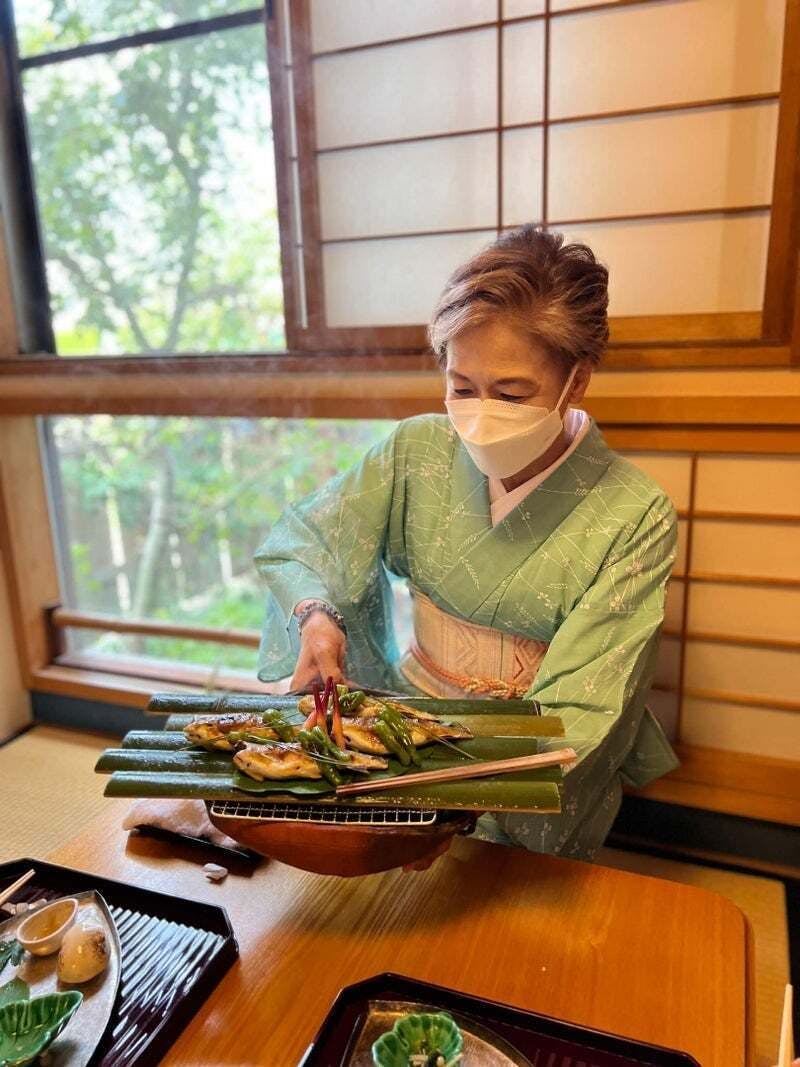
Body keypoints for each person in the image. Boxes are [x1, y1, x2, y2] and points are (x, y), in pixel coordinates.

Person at [255, 225, 679, 861]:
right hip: (402, 738)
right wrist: (317, 618)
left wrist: (452, 802)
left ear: (576, 381)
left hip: (524, 760)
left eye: (511, 394)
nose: (480, 413)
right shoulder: (416, 450)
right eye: (461, 387)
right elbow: (309, 540)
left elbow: (585, 705)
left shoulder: (635, 512)